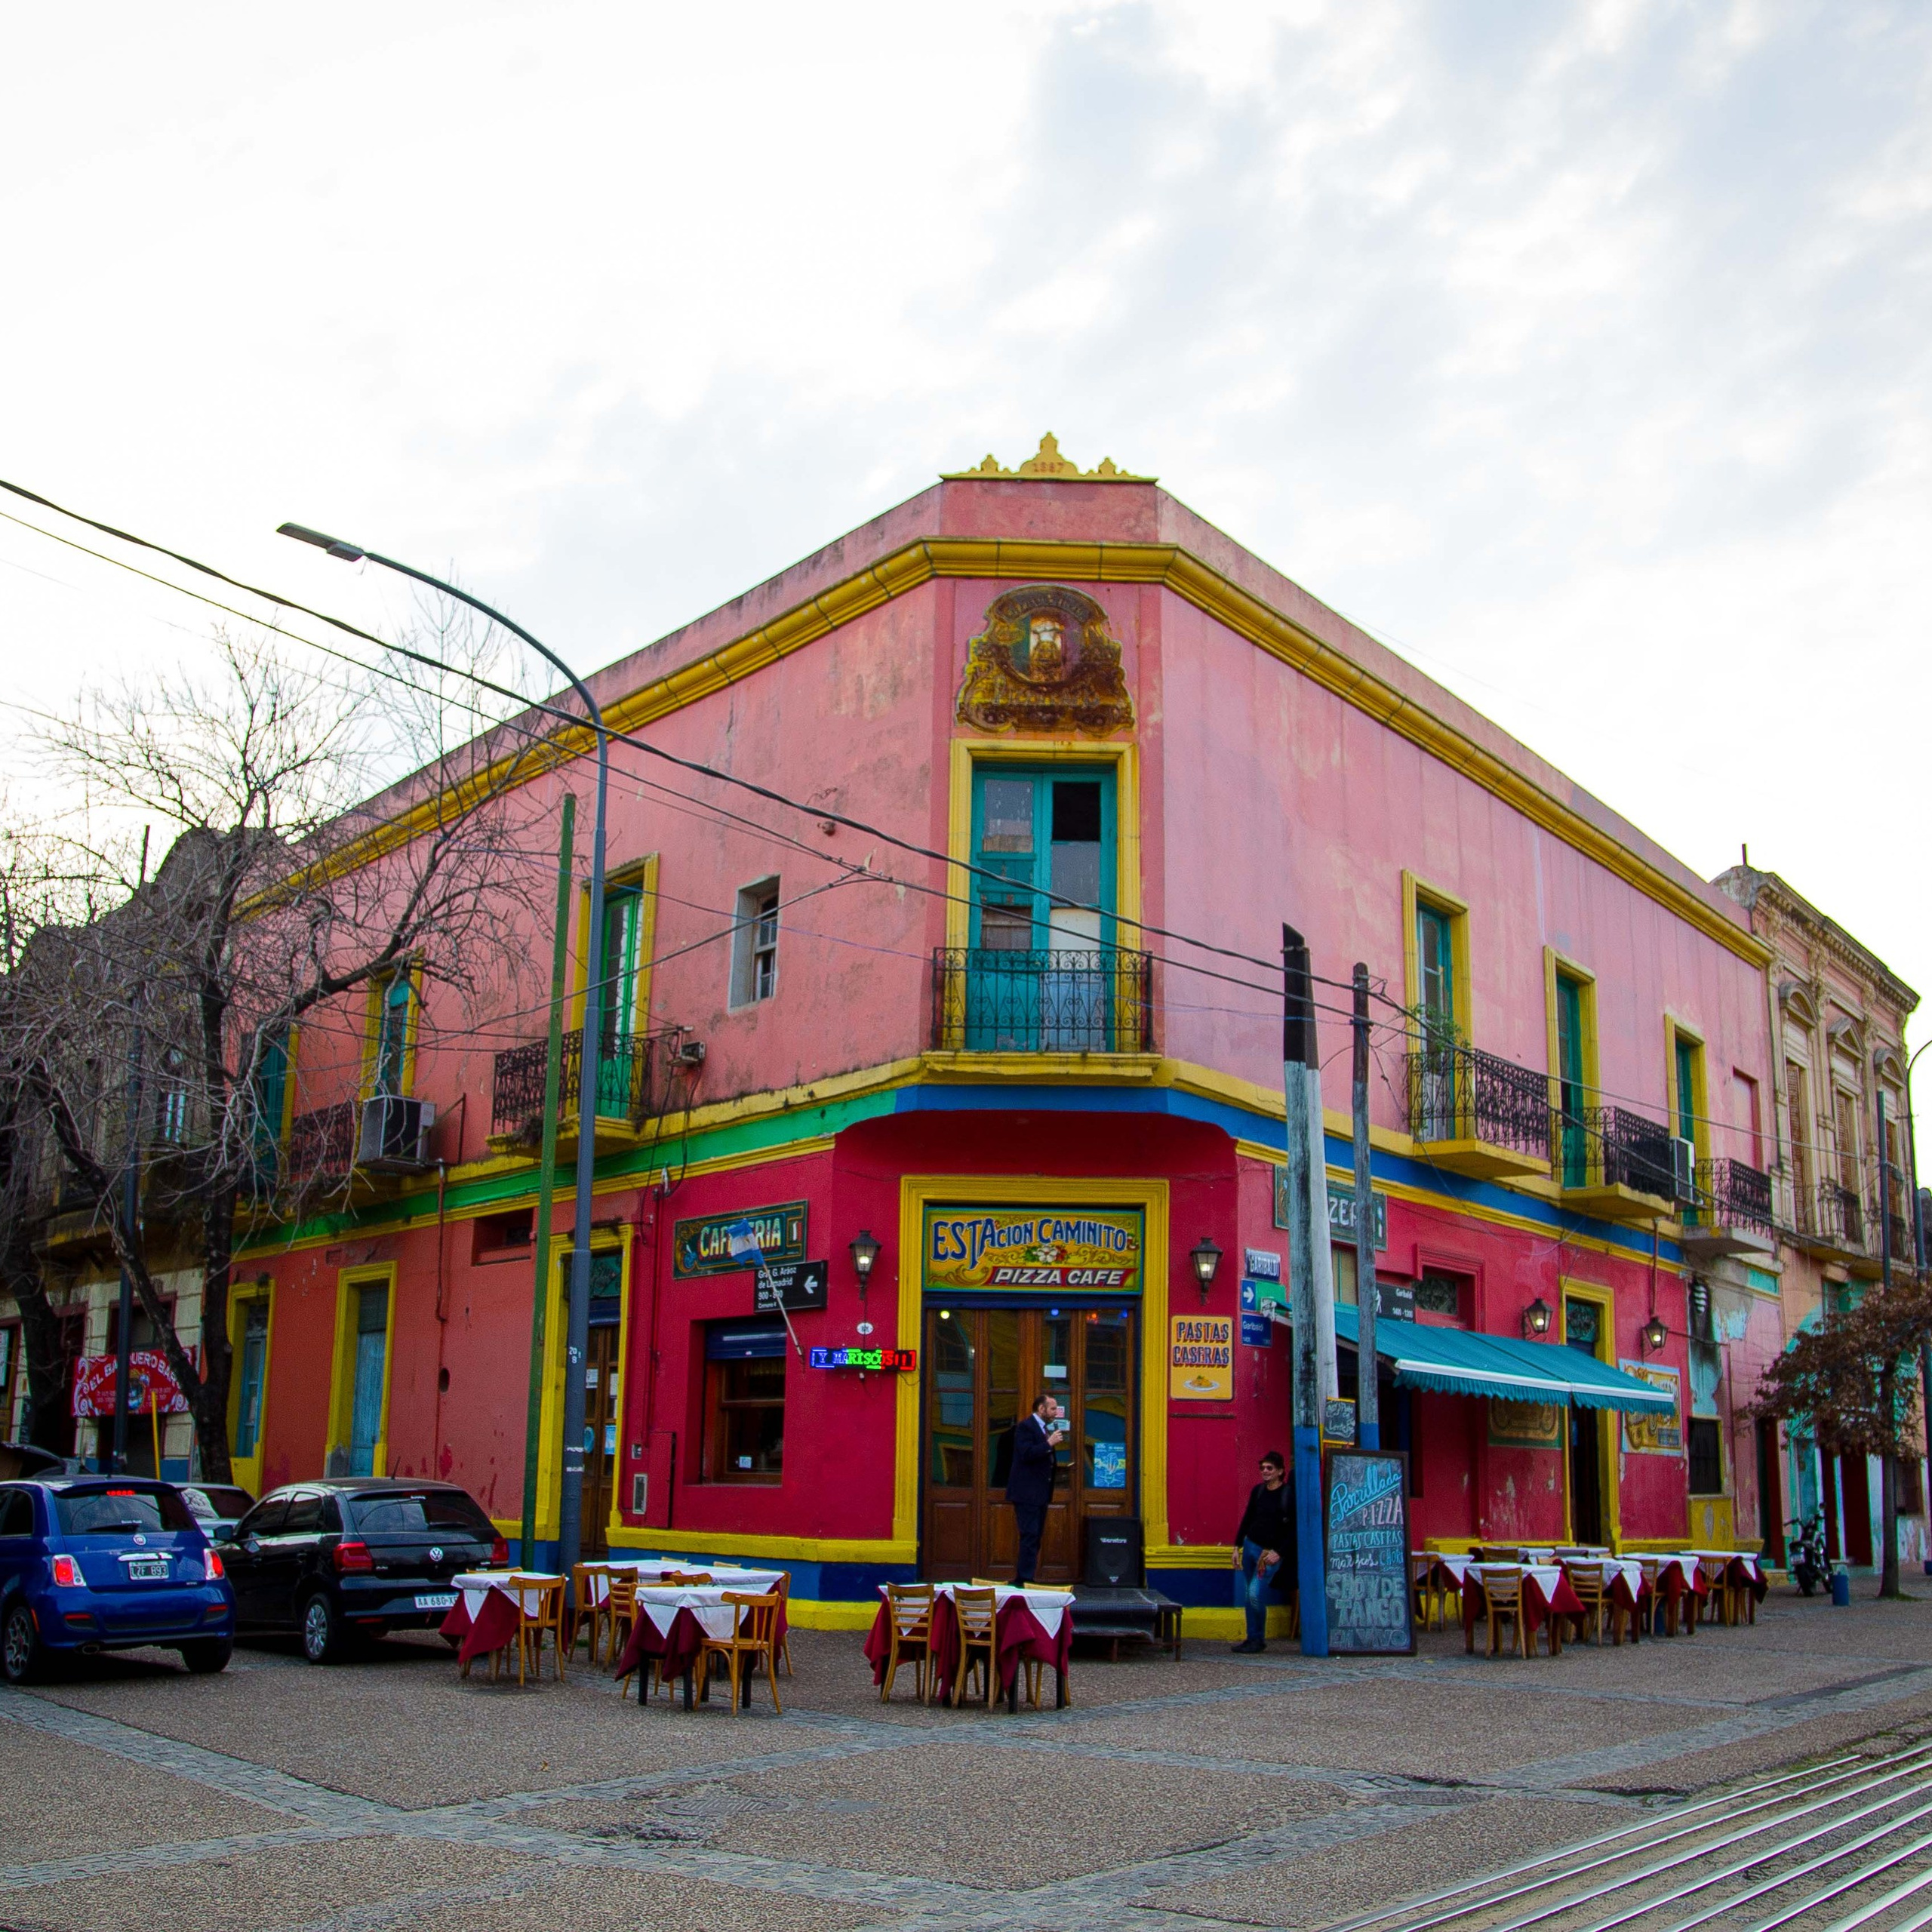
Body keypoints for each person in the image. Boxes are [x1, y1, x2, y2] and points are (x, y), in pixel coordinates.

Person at [1230, 1449, 1296, 1654]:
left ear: (1280, 1471)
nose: (1265, 1471)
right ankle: (1253, 1638)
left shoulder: (1288, 1495)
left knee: (1255, 1594)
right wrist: (1237, 1546)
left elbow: (1294, 1529)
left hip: (1267, 1555)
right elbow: (1248, 1517)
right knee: (1249, 1595)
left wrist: (1280, 1552)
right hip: (1250, 1545)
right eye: (1262, 1468)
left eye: (1270, 1468)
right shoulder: (1258, 1491)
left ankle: (1258, 1637)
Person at [1005, 1391, 1064, 1585]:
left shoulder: (1044, 1428)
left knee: (1036, 1535)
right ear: (1042, 1409)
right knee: (1029, 1535)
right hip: (1026, 1493)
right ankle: (1023, 1579)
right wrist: (1049, 1444)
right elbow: (1026, 1454)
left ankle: (1027, 1576)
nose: (1056, 1412)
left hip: (1040, 1493)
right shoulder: (1025, 1427)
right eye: (1053, 1408)